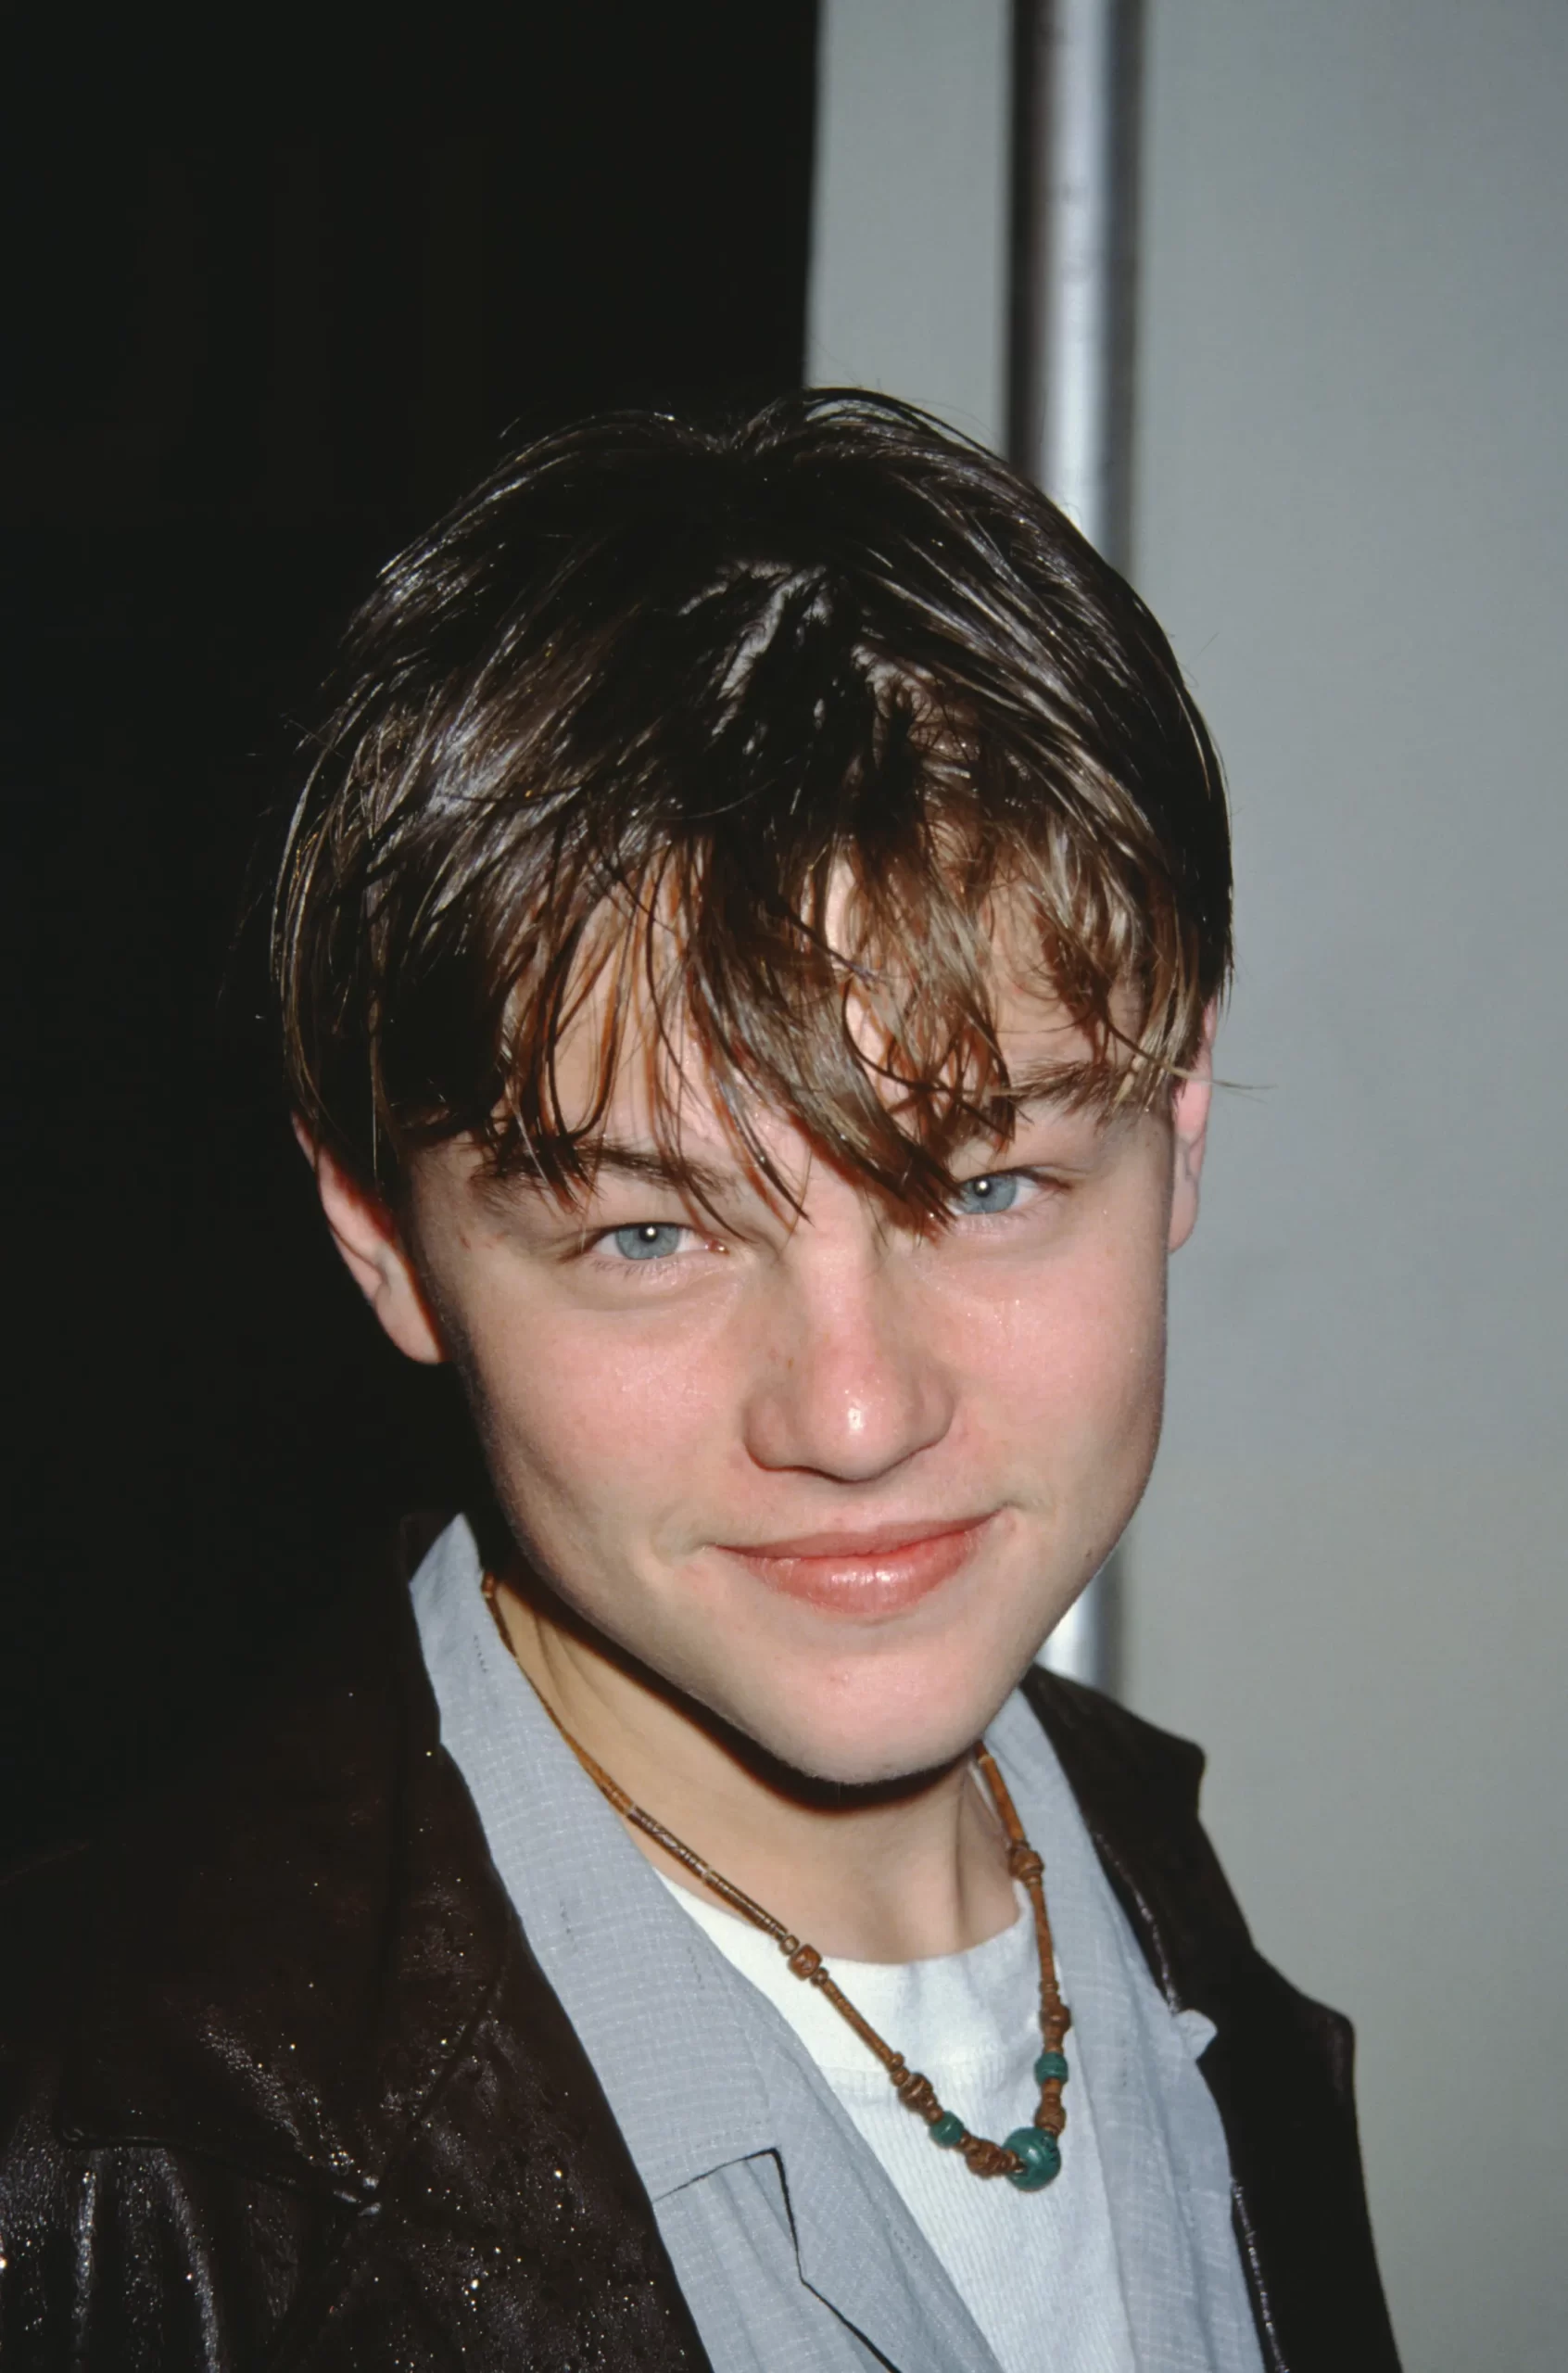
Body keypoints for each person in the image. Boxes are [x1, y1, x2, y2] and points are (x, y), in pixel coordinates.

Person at [0, 393, 1399, 2371]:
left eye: (987, 1182)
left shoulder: (1163, 1892)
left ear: (1176, 1139)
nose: (852, 1412)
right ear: (383, 1240)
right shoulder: (108, 2158)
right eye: (649, 1233)